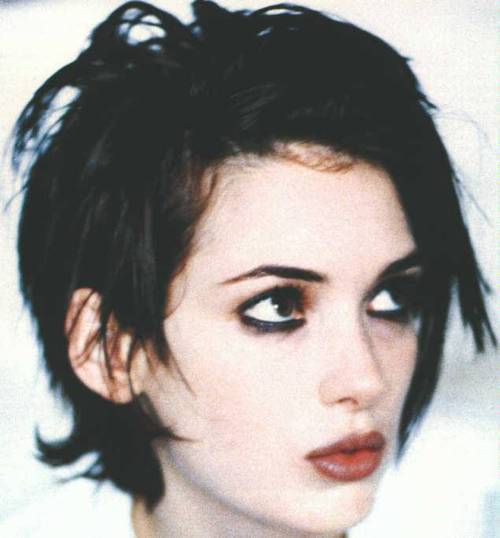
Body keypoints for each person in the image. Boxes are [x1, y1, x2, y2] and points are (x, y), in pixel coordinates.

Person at [2, 0, 495, 536]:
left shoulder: (467, 512)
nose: (366, 379)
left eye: (390, 297)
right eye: (278, 306)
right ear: (111, 350)